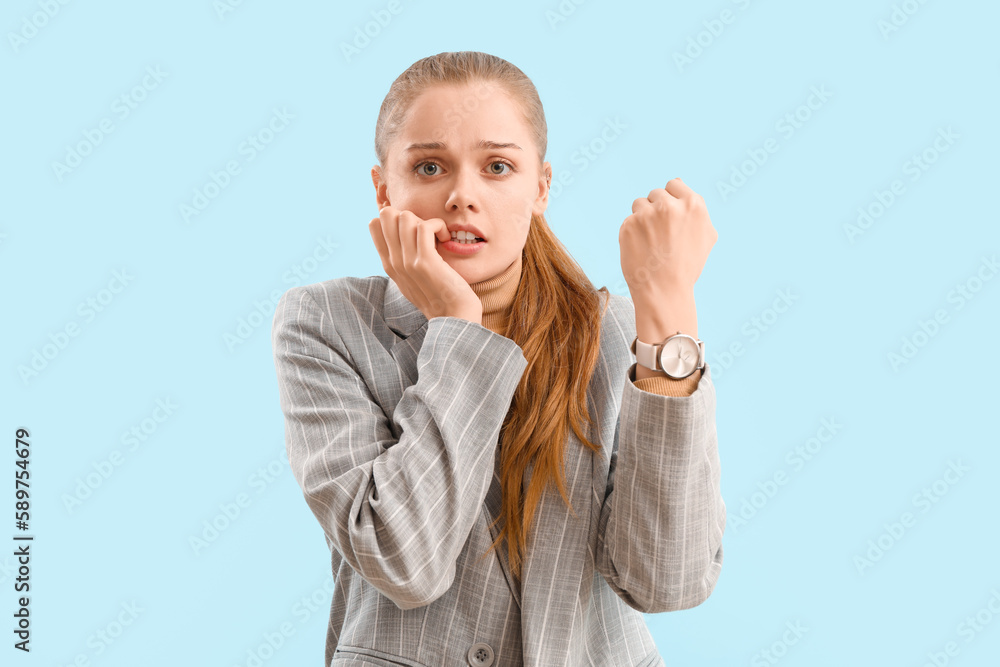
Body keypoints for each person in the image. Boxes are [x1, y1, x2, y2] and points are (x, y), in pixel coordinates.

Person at [271, 50, 724, 667]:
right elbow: (405, 561)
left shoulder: (615, 330)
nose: (462, 196)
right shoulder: (326, 324)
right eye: (430, 166)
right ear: (384, 189)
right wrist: (457, 327)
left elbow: (666, 582)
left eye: (498, 167)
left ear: (539, 188)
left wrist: (670, 313)